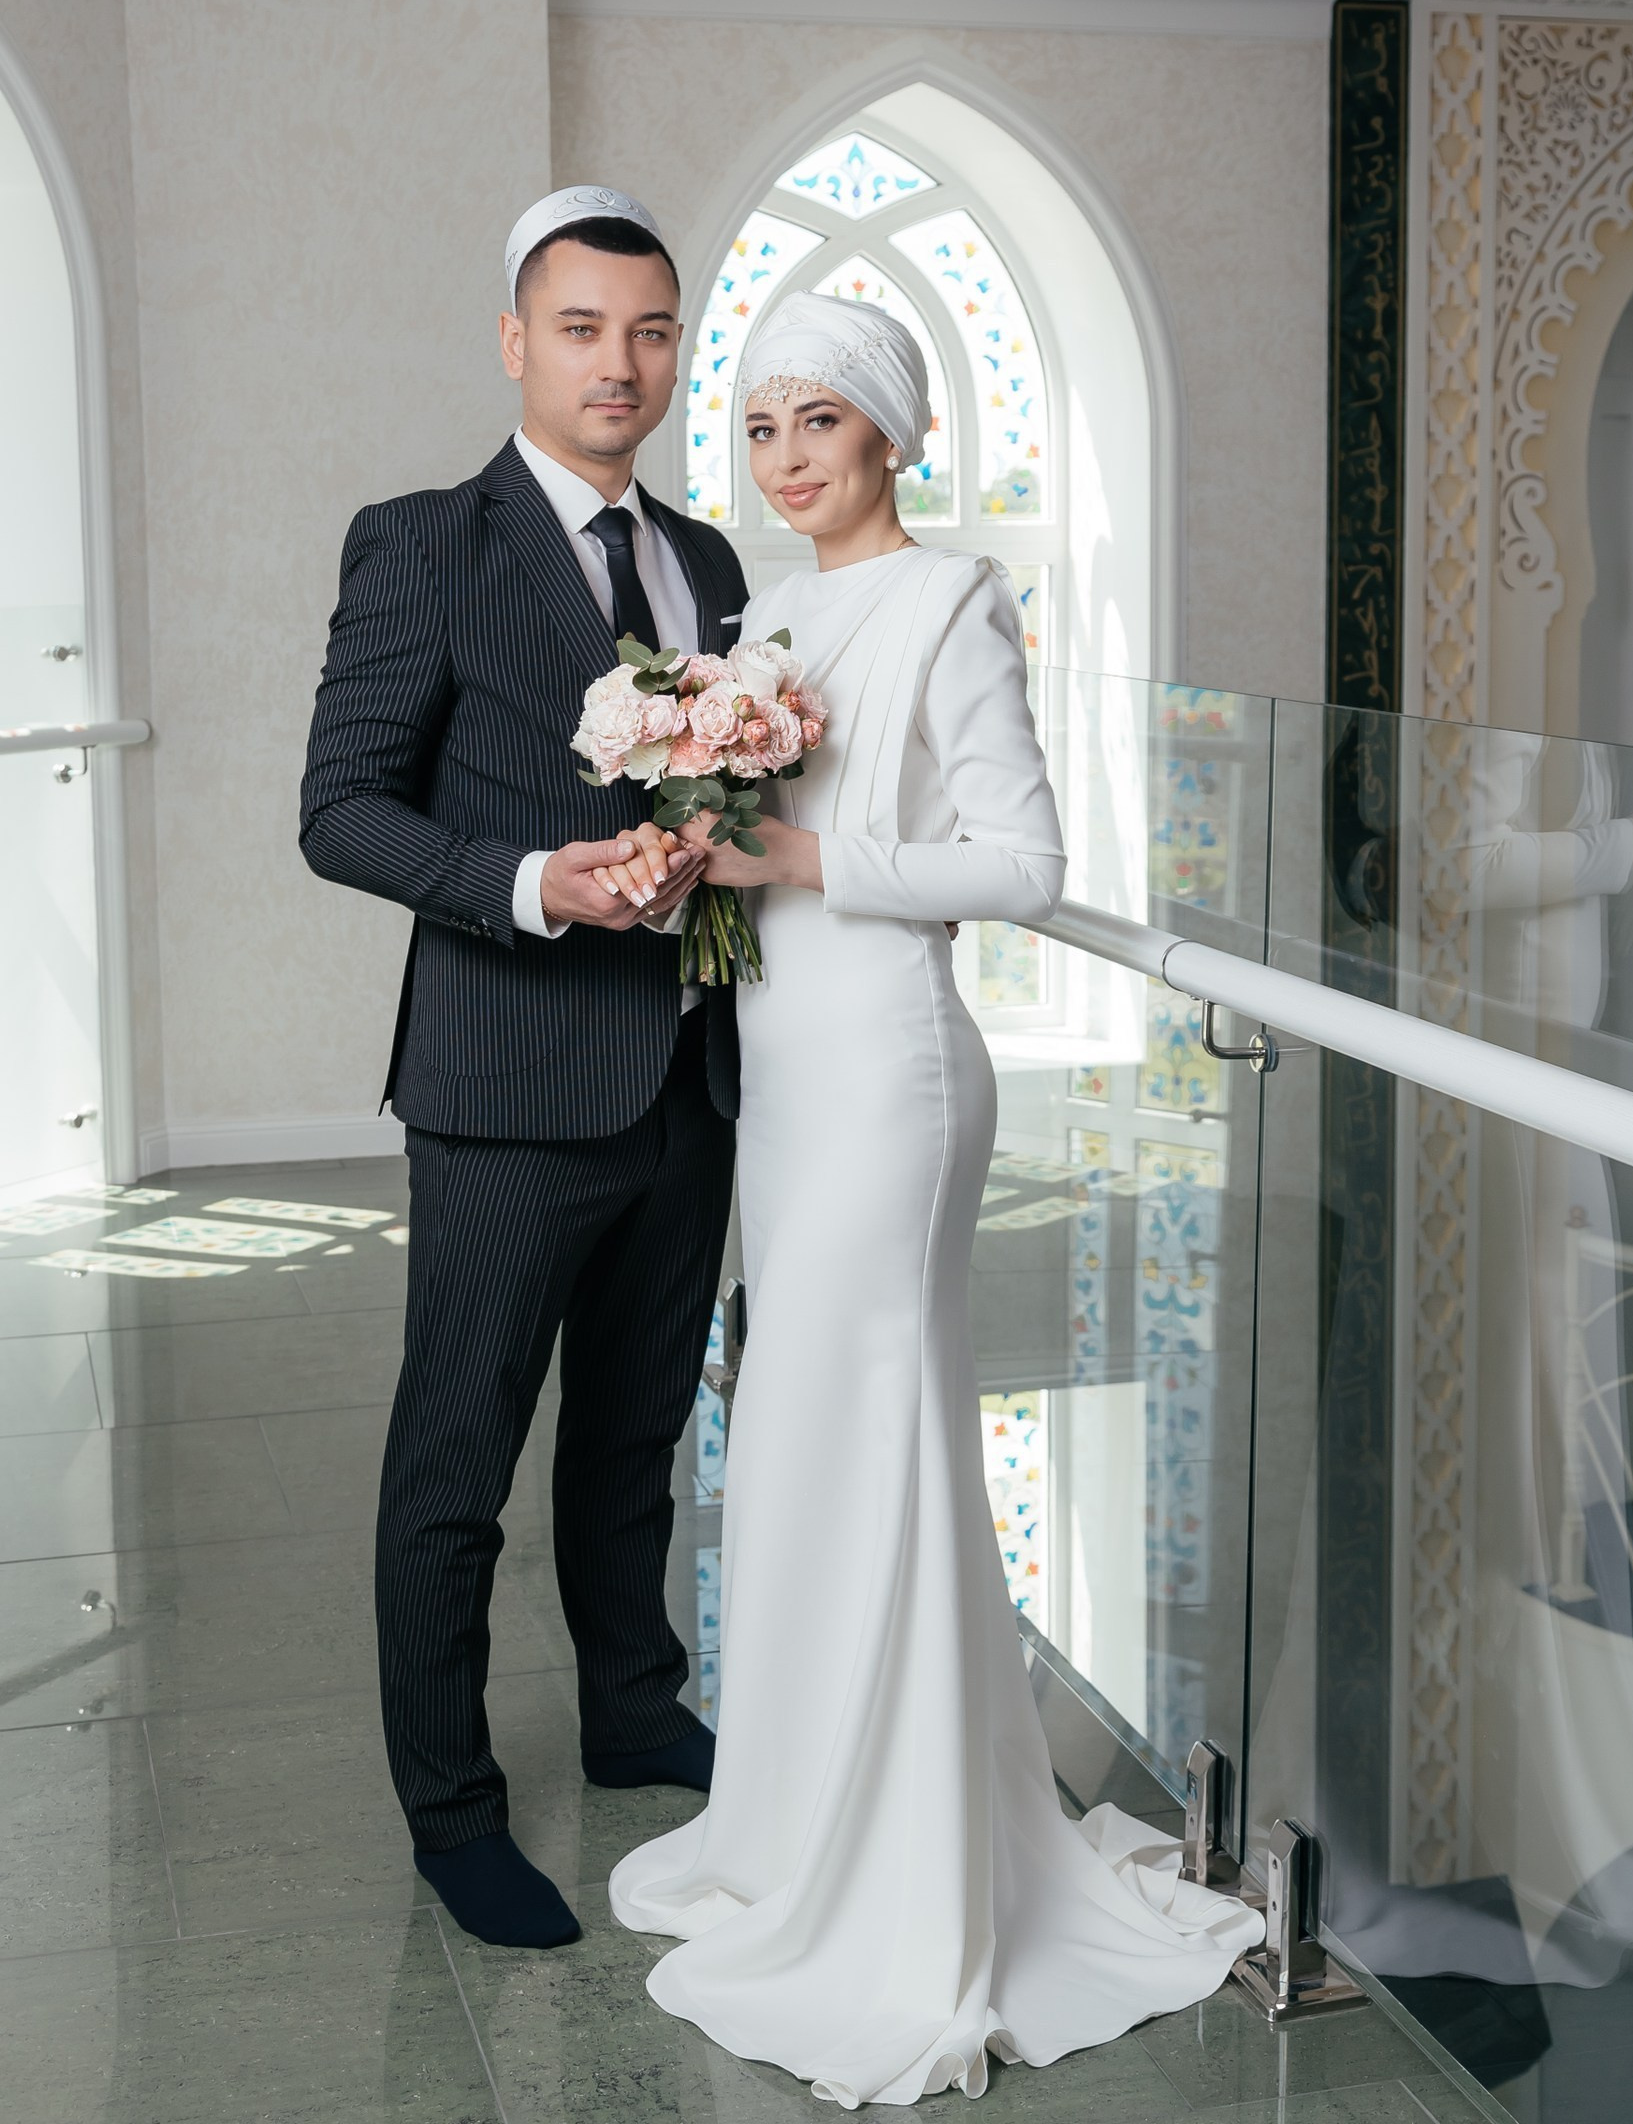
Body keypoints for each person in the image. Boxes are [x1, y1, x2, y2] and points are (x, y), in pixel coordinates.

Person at [607, 294, 1263, 2106]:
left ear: (894, 433)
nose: (785, 458)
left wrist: (807, 854)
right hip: (787, 1076)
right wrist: (688, 859)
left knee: (872, 1436)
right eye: (760, 427)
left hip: (892, 1079)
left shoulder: (952, 600)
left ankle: (905, 1881)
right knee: (800, 1441)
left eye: (819, 422)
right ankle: (805, 1824)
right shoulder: (769, 622)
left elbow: (1024, 862)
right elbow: (753, 857)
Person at [300, 185, 748, 1952]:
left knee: (637, 1437)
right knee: (456, 1466)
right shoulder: (425, 542)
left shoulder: (707, 563)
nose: (617, 363)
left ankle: (634, 1709)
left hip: (684, 1081)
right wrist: (530, 886)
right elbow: (341, 812)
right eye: (580, 329)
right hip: (502, 1086)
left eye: (649, 331)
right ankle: (455, 1814)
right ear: (515, 343)